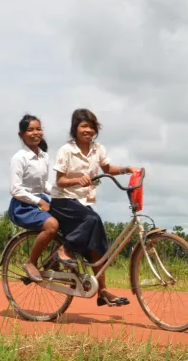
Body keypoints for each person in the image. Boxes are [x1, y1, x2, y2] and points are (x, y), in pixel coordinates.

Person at [49, 108, 137, 307]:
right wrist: (77, 180)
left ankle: (102, 291)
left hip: (84, 203)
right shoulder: (66, 150)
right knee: (92, 220)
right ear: (75, 128)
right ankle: (64, 250)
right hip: (63, 200)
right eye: (84, 126)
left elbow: (108, 169)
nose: (88, 130)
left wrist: (127, 169)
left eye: (91, 126)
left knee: (98, 242)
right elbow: (60, 181)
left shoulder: (98, 149)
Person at [7, 113, 59, 282]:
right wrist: (39, 201)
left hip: (41, 201)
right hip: (23, 205)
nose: (36, 133)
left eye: (38, 129)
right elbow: (16, 190)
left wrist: (61, 193)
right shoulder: (19, 158)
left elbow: (44, 185)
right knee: (52, 225)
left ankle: (53, 260)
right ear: (21, 135)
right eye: (30, 130)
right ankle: (31, 262)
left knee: (71, 218)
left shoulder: (44, 156)